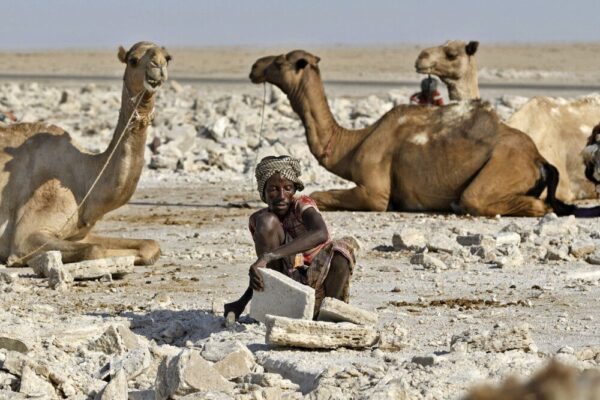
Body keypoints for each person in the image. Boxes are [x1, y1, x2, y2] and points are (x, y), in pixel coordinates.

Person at [224, 155, 359, 321]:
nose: (281, 195)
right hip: (287, 293)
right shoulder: (260, 221)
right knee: (267, 222)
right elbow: (265, 270)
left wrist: (269, 256)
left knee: (343, 248)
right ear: (263, 192)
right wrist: (241, 302)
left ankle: (331, 313)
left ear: (294, 190)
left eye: (287, 188)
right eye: (273, 189)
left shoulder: (302, 205)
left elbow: (321, 233)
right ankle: (276, 304)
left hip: (321, 288)